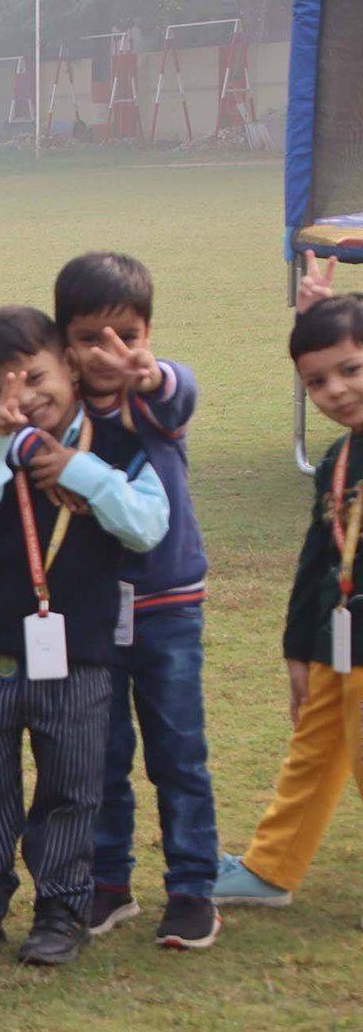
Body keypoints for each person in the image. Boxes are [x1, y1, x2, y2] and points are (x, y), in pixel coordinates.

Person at [0, 253, 220, 948]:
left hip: (165, 599)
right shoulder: (28, 410)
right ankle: (105, 883)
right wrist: (11, 433)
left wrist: (84, 461)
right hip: (90, 618)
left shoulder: (148, 403)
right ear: (66, 348)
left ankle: (192, 888)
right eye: (88, 338)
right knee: (97, 758)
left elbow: (179, 391)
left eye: (126, 335)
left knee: (177, 752)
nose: (109, 353)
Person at [0, 307, 169, 966]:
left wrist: (78, 469)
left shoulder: (121, 443)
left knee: (71, 788)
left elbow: (147, 526)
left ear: (69, 365)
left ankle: (63, 907)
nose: (27, 398)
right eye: (4, 390)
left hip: (81, 656)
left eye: (36, 378)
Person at [215, 288, 363, 910]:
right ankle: (272, 868)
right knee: (313, 751)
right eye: (317, 381)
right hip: (338, 640)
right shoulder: (338, 458)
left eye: (351, 369)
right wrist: (298, 649)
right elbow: (315, 560)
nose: (336, 391)